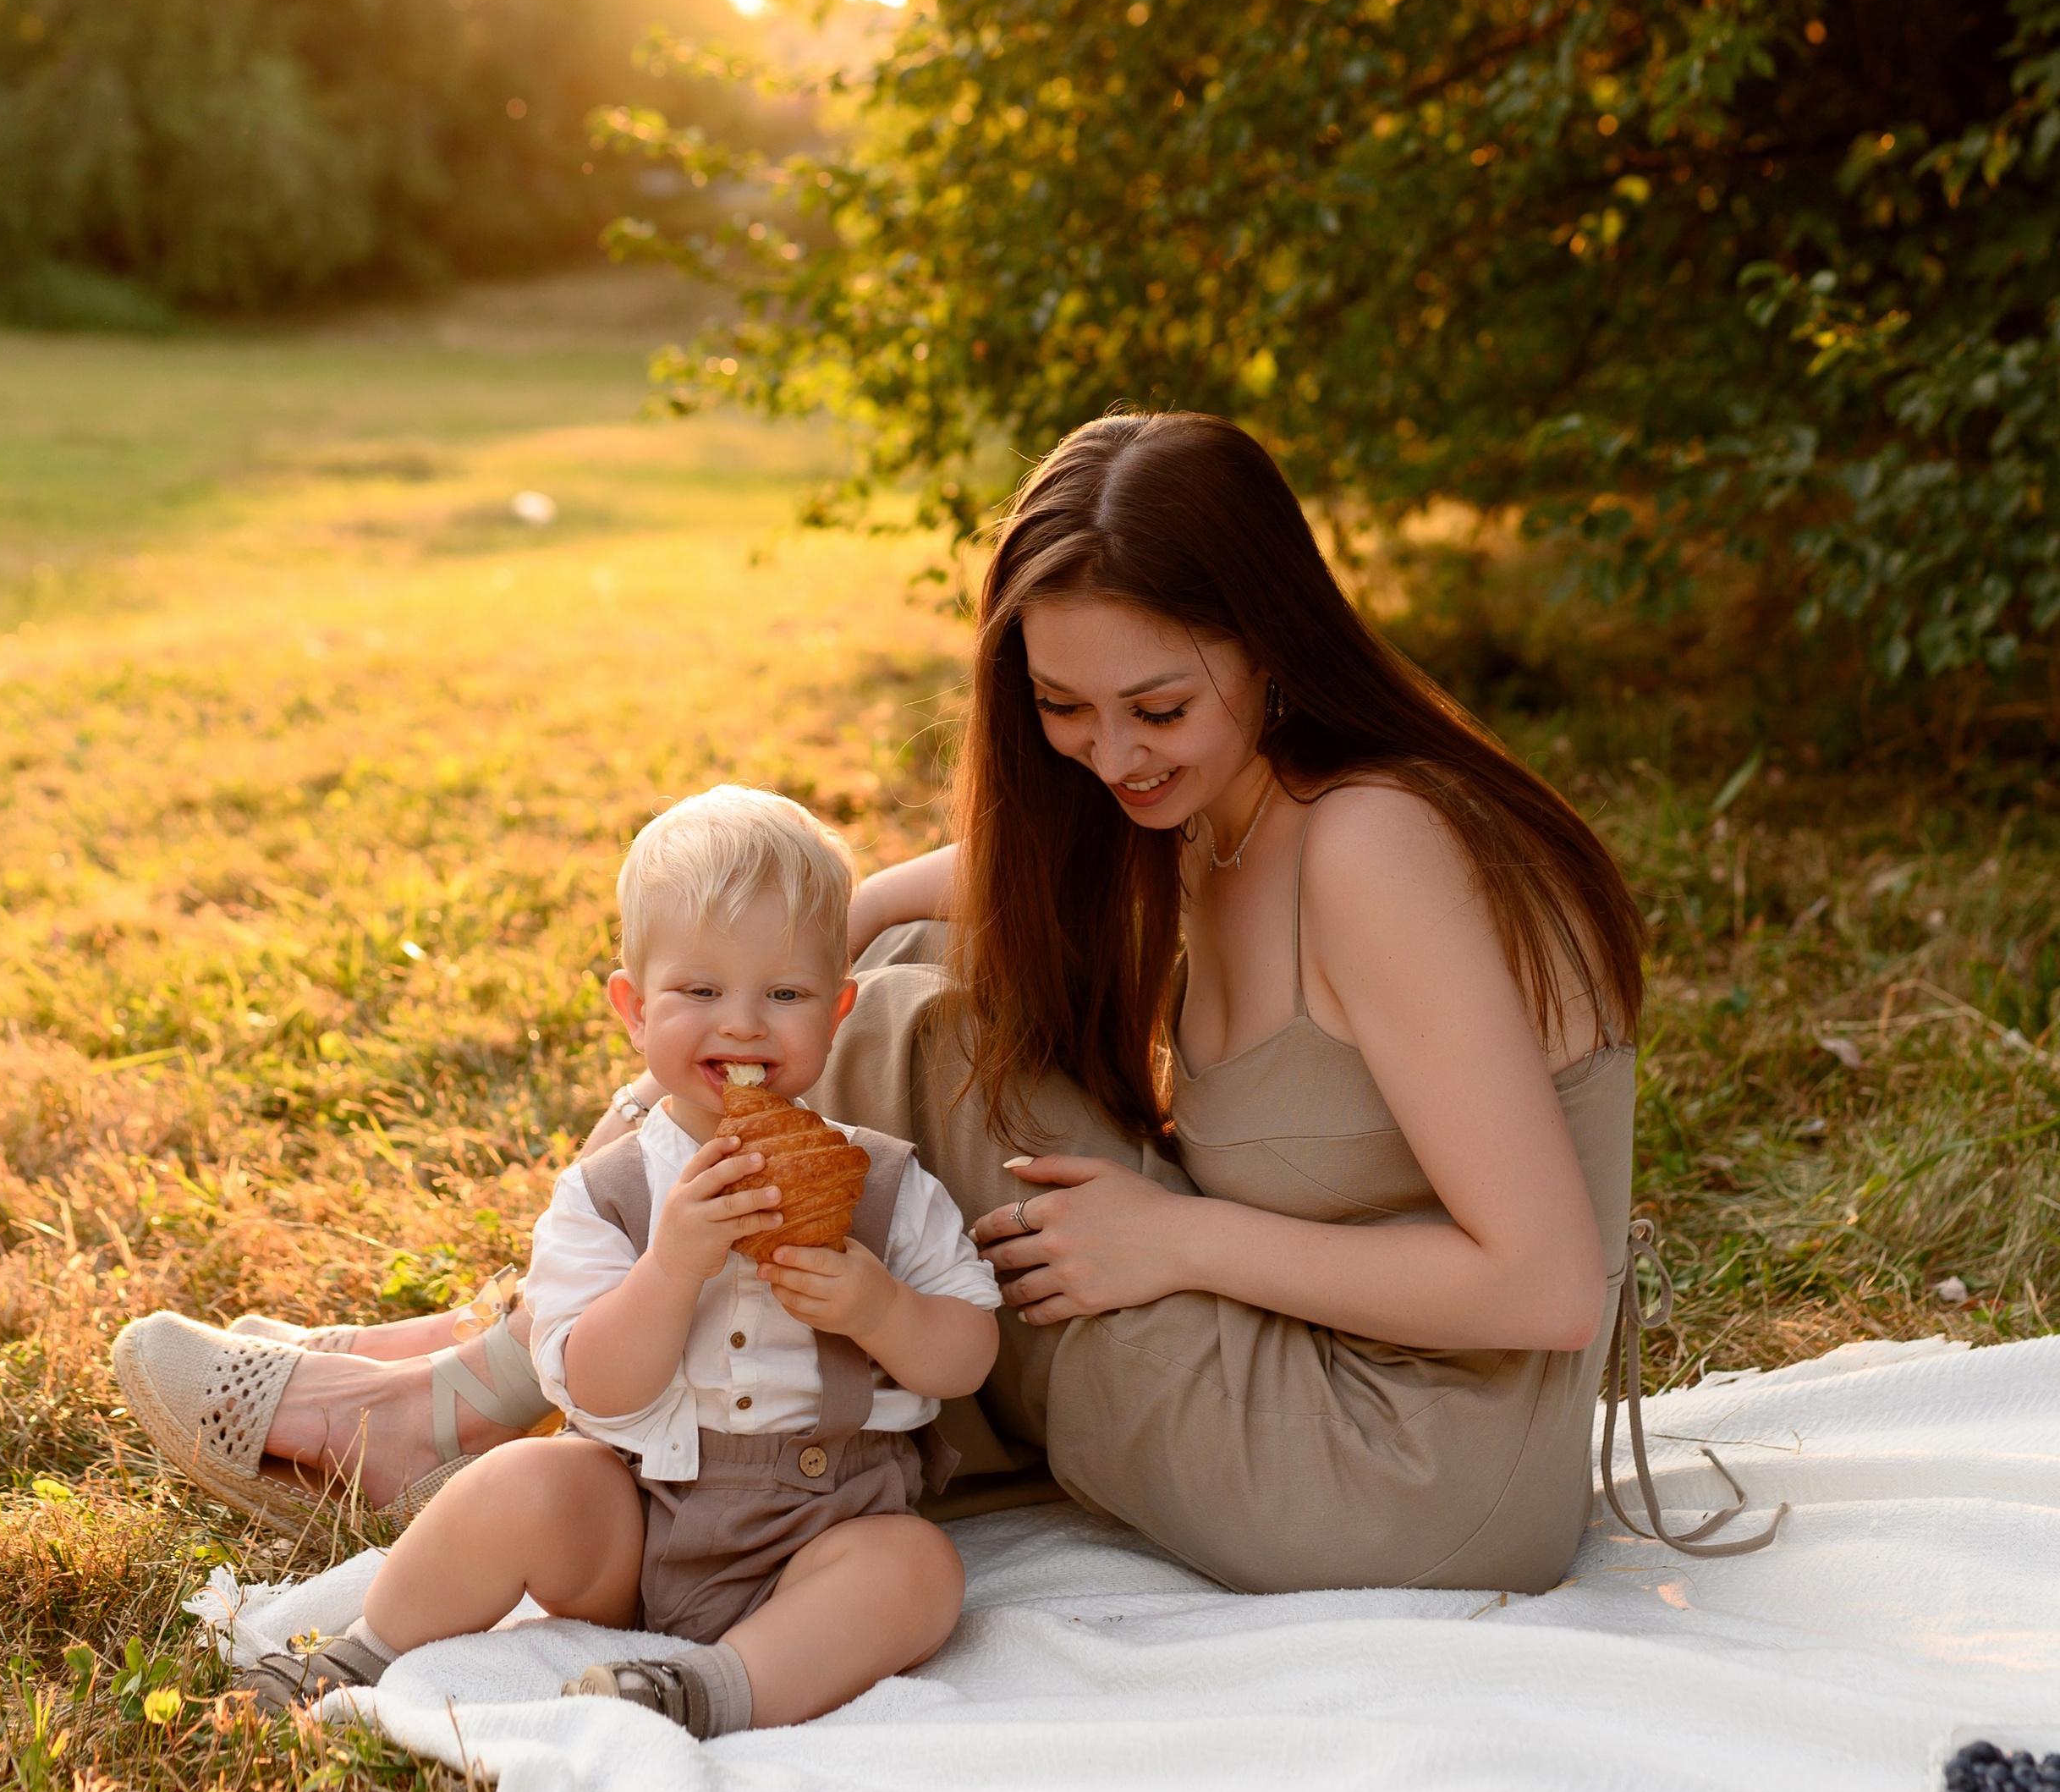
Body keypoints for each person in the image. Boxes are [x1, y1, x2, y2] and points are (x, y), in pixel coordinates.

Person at [118, 413, 1727, 1592]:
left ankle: (453, 1400)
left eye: (1159, 703)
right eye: (1064, 710)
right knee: (880, 985)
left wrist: (1178, 1240)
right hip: (1314, 1358)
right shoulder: (1220, 808)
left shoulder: (1371, 843)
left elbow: (1547, 1289)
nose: (1116, 756)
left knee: (901, 1035)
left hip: (1398, 1465)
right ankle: (483, 1353)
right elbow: (1008, 875)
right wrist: (847, 917)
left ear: (1273, 639)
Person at [243, 789, 997, 1730]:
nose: (745, 1024)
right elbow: (592, 1387)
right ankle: (366, 1646)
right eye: (701, 991)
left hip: (826, 1527)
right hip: (637, 1525)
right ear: (635, 1012)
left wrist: (881, 1309)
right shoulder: (606, 1195)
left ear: (838, 1009)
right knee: (521, 1481)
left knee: (919, 1572)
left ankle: (711, 1689)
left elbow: (967, 1348)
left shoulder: (879, 1183)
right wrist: (670, 1268)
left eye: (786, 993)